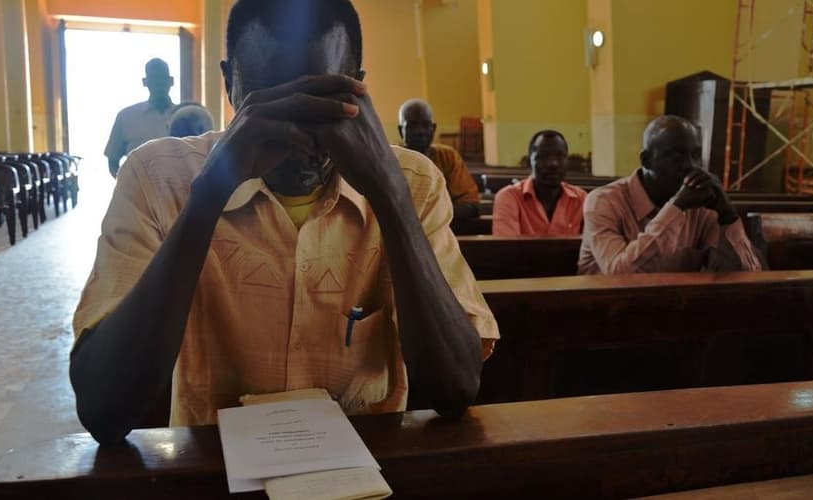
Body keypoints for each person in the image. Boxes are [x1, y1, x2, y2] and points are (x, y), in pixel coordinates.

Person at [70, 0, 498, 445]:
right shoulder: (157, 177)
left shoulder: (410, 181)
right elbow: (104, 408)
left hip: (367, 468)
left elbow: (454, 389)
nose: (295, 134)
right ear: (229, 84)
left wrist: (390, 196)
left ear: (358, 89)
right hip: (211, 470)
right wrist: (210, 194)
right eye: (268, 104)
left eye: (322, 103)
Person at [577, 115, 763, 274]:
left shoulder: (701, 206)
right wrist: (676, 207)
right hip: (605, 310)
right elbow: (620, 274)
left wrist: (727, 215)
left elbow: (750, 275)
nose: (691, 165)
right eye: (676, 155)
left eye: (696, 155)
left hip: (673, 309)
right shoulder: (604, 201)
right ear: (646, 160)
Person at [397, 98, 480, 220]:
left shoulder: (448, 157)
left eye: (426, 125)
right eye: (412, 126)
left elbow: (470, 204)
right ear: (400, 130)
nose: (420, 131)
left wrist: (428, 217)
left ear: (434, 128)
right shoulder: (391, 160)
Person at [492, 130, 587, 236]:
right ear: (529, 162)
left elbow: (590, 247)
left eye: (560, 156)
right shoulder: (510, 198)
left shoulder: (580, 199)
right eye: (543, 157)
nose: (553, 164)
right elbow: (506, 249)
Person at [104, 58, 175, 178]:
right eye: (154, 78)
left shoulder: (186, 118)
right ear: (145, 82)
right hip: (138, 194)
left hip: (181, 194)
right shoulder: (126, 117)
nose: (159, 83)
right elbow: (113, 160)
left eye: (162, 78)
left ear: (171, 81)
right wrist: (128, 188)